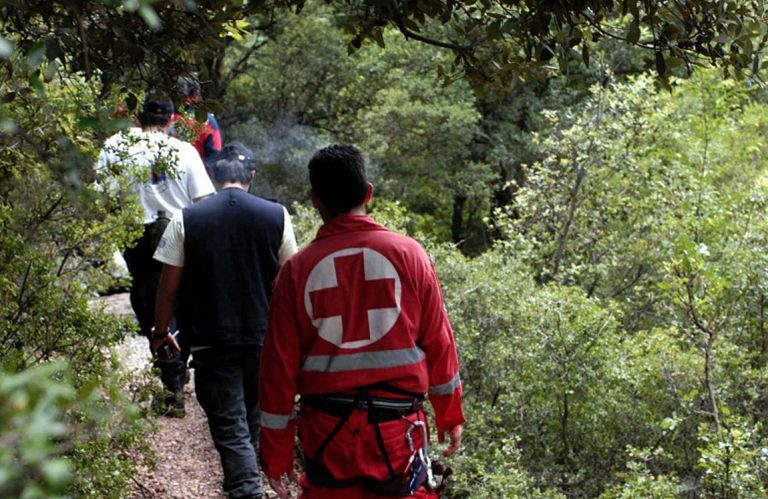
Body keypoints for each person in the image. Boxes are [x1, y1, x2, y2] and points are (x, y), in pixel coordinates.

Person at [259, 144, 465, 498]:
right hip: (399, 435)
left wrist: (276, 454)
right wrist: (449, 414)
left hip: (327, 438)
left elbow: (277, 371)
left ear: (314, 200)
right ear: (368, 193)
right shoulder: (409, 255)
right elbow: (438, 343)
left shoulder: (295, 271)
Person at [152, 142, 298, 499]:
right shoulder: (276, 215)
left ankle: (245, 490)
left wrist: (161, 331)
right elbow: (290, 281)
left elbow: (168, 287)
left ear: (213, 175)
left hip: (210, 339)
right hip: (265, 340)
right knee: (250, 420)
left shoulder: (188, 217)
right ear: (252, 174)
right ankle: (243, 486)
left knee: (231, 426)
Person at [97, 97, 215, 415]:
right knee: (182, 299)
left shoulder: (115, 146)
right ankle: (175, 372)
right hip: (179, 230)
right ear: (170, 120)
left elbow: (103, 198)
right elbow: (204, 200)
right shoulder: (185, 150)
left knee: (149, 300)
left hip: (136, 233)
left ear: (138, 118)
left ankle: (170, 378)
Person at [170, 76, 222, 170]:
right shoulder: (207, 121)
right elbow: (215, 156)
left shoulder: (167, 118)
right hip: (198, 176)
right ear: (195, 94)